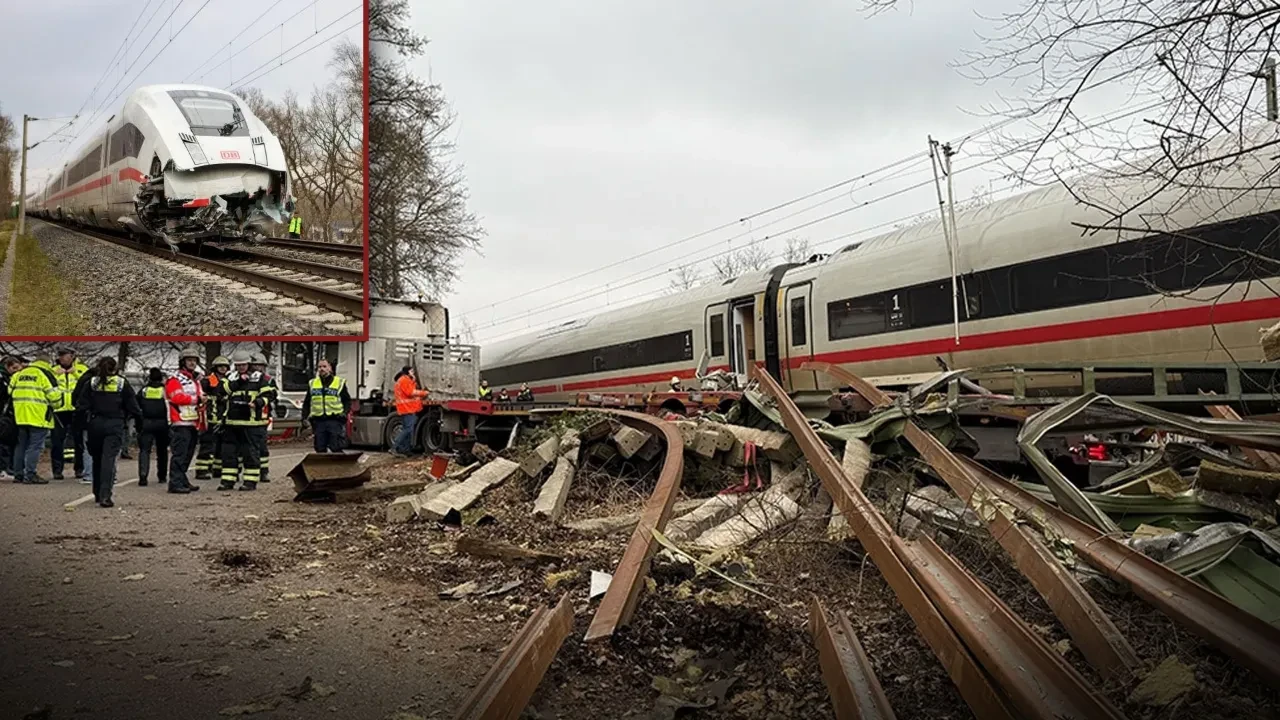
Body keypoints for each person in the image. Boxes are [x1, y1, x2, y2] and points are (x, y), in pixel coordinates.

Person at [74, 357, 141, 508]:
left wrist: (79, 426)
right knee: (108, 460)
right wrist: (139, 423)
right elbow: (133, 406)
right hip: (114, 423)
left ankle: (97, 492)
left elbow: (81, 406)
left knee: (97, 458)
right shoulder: (121, 383)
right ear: (115, 368)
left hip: (95, 424)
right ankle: (105, 495)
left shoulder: (91, 383)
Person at [220, 353, 270, 491]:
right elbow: (221, 391)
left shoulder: (259, 378)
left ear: (249, 364)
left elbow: (268, 394)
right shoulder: (230, 377)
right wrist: (239, 382)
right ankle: (227, 481)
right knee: (229, 453)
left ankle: (250, 481)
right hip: (231, 422)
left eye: (243, 364)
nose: (241, 367)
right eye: (238, 365)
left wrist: (259, 402)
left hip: (251, 423)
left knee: (250, 453)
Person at [9, 356, 62, 485]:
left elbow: (10, 391)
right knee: (35, 446)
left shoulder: (19, 374)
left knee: (21, 445)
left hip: (20, 416)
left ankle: (18, 474)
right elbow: (53, 396)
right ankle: (30, 474)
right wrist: (57, 405)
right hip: (38, 416)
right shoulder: (45, 374)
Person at [165, 346, 203, 494]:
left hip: (193, 422)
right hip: (180, 422)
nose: (192, 363)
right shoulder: (175, 379)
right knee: (179, 454)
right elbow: (176, 397)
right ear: (183, 362)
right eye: (189, 360)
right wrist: (197, 399)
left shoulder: (195, 379)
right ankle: (175, 483)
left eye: (194, 360)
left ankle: (182, 479)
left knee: (188, 454)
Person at [48, 349, 88, 482]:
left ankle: (79, 469)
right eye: (61, 357)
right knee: (57, 441)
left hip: (75, 410)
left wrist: (75, 373)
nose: (63, 359)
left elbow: (86, 382)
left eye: (66, 356)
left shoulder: (81, 369)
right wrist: (55, 374)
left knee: (79, 441)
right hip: (59, 410)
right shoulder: (52, 370)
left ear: (72, 357)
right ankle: (57, 470)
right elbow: (48, 386)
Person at [301, 358, 351, 453]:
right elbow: (307, 402)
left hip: (334, 420)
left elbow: (347, 401)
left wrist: (344, 413)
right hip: (319, 421)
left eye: (324, 366)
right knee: (320, 448)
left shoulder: (339, 383)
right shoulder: (313, 383)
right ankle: (322, 468)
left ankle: (338, 467)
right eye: (319, 367)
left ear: (330, 368)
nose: (322, 369)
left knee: (336, 447)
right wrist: (304, 417)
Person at [196, 356, 231, 482]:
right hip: (210, 418)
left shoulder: (228, 381)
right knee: (207, 445)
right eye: (220, 366)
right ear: (215, 368)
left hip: (223, 418)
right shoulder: (207, 381)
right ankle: (202, 470)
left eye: (225, 366)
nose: (223, 368)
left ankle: (217, 469)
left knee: (221, 446)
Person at [136, 368, 170, 487]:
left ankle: (143, 476)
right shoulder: (165, 391)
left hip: (146, 423)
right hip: (162, 424)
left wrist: (138, 422)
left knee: (145, 450)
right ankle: (162, 476)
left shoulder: (144, 390)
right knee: (162, 451)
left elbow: (136, 405)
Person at [248, 353, 277, 482]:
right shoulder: (246, 379)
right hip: (247, 416)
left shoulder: (269, 380)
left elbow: (273, 395)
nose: (258, 368)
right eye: (255, 366)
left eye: (260, 365)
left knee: (262, 446)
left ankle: (263, 471)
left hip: (263, 416)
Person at [392, 366, 428, 456]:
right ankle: (395, 447)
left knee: (408, 429)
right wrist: (424, 393)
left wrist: (413, 380)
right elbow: (410, 392)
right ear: (407, 372)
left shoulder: (404, 380)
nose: (413, 372)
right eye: (411, 371)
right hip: (407, 408)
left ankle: (405, 450)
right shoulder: (404, 380)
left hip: (406, 408)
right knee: (408, 429)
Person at [0, 356, 21, 481]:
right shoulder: (3, 378)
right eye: (14, 368)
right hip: (3, 414)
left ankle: (7, 467)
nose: (16, 371)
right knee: (3, 443)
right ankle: (2, 469)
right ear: (7, 366)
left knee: (7, 441)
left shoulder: (7, 378)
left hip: (7, 414)